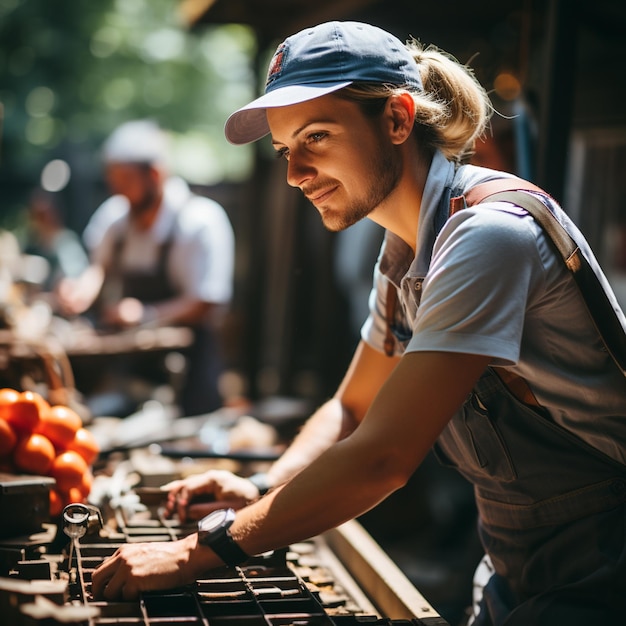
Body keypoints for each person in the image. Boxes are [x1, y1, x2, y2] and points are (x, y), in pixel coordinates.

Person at [91, 22, 626, 625]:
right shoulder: (404, 252)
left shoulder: (488, 236)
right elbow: (351, 410)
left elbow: (383, 457)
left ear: (398, 120)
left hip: (606, 562)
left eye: (317, 136)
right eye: (285, 148)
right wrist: (267, 487)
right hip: (517, 563)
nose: (295, 173)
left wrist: (197, 552)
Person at [58, 120, 235, 416]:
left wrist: (145, 314)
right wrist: (80, 290)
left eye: (125, 181)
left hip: (190, 367)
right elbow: (98, 268)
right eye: (113, 181)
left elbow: (207, 302)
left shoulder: (200, 222)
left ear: (155, 174)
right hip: (134, 366)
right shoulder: (116, 216)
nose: (118, 190)